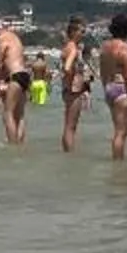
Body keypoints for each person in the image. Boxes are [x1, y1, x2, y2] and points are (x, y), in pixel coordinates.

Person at [98, 12, 127, 160]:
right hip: (122, 88)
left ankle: (117, 162)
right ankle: (118, 166)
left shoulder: (104, 48)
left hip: (109, 87)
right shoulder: (125, 49)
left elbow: (102, 72)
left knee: (117, 131)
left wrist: (105, 89)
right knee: (121, 133)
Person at [57, 15, 93, 153]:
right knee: (71, 126)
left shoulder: (67, 47)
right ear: (73, 32)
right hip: (73, 89)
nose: (83, 35)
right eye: (81, 32)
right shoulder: (72, 48)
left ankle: (67, 152)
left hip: (67, 89)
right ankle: (69, 153)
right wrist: (72, 78)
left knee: (68, 125)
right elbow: (67, 68)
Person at [0, 20, 31, 146]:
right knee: (19, 115)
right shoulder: (14, 37)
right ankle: (20, 143)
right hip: (24, 75)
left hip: (14, 76)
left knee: (8, 113)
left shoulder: (1, 38)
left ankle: (12, 145)